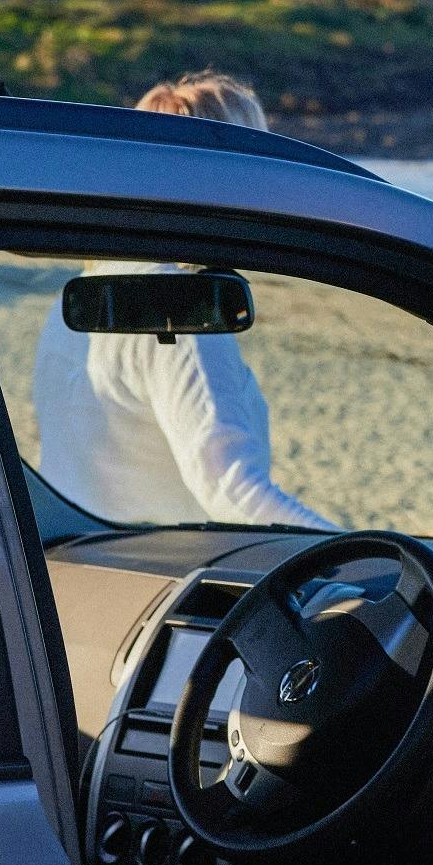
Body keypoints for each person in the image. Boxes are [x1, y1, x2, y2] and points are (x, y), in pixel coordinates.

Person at [32, 71, 338, 530]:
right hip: (170, 577)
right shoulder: (173, 307)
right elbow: (233, 491)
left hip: (88, 568)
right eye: (259, 168)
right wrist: (375, 560)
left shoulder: (84, 293)